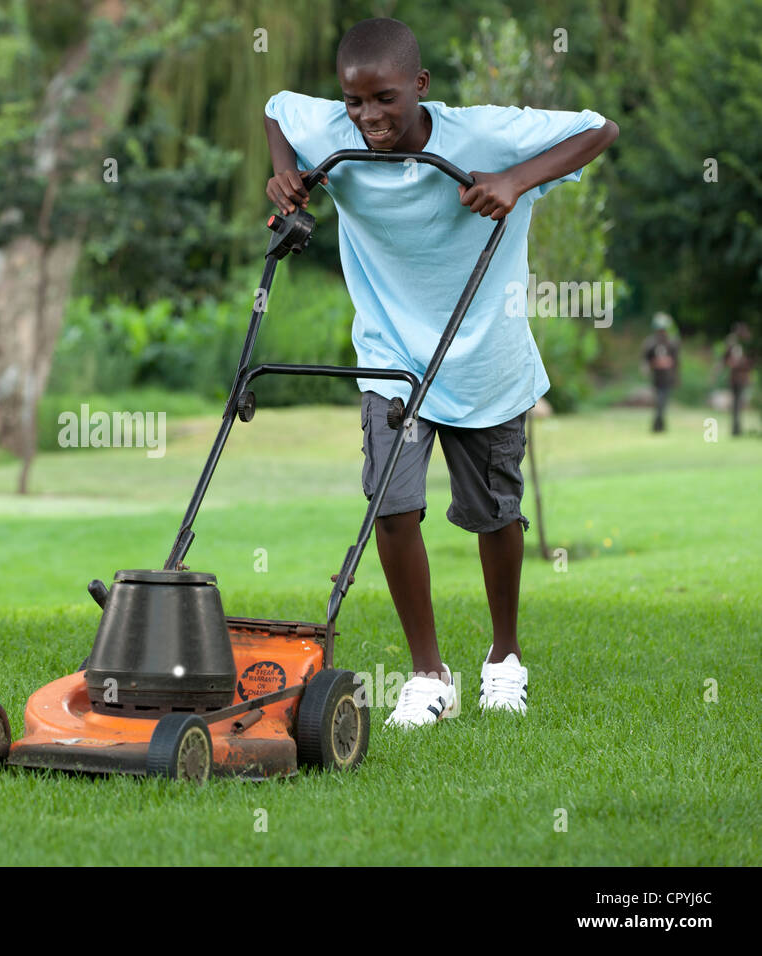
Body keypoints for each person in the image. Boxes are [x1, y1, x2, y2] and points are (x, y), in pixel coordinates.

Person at [263, 17, 618, 728]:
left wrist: (516, 181)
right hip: (390, 354)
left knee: (495, 513)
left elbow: (599, 129)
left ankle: (504, 657)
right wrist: (285, 173)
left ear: (420, 86)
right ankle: (428, 676)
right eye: (355, 103)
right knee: (390, 506)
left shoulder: (486, 134)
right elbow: (277, 109)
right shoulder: (334, 128)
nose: (367, 118)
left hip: (485, 354)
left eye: (385, 100)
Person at [640, 312, 680, 432]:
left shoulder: (672, 343)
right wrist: (648, 367)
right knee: (659, 402)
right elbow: (645, 360)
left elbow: (676, 362)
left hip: (668, 378)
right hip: (656, 378)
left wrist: (676, 376)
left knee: (663, 402)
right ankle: (658, 426)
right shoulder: (651, 343)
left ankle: (659, 425)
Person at [717, 322, 753, 437]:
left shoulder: (748, 345)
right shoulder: (732, 344)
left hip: (743, 377)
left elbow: (751, 361)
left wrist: (740, 364)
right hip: (734, 378)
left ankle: (736, 428)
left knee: (738, 403)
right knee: (736, 403)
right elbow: (724, 359)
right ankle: (735, 428)